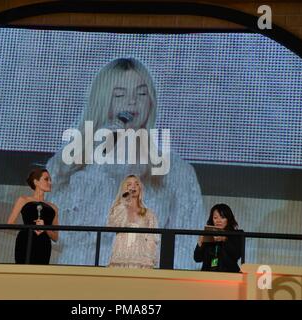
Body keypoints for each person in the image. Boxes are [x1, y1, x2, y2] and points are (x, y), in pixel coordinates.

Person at [46, 58, 204, 269]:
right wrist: (100, 161)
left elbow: (186, 244)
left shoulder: (176, 171)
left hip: (146, 279)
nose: (132, 102)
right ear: (102, 101)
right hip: (81, 274)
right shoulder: (66, 164)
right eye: (119, 95)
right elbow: (60, 233)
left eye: (141, 93)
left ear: (151, 101)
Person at [7, 168, 59, 264]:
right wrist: (29, 228)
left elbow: (55, 237)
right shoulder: (23, 200)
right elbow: (10, 223)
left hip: (43, 244)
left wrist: (45, 228)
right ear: (36, 182)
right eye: (46, 179)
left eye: (50, 180)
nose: (50, 182)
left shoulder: (53, 208)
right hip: (25, 241)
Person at [107, 175, 158, 268]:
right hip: (120, 258)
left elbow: (152, 239)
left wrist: (149, 260)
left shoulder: (148, 214)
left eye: (136, 184)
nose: (133, 187)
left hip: (141, 261)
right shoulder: (119, 209)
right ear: (124, 188)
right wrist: (124, 201)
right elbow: (113, 224)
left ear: (140, 188)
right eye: (129, 184)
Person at [193, 203, 243, 272]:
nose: (218, 221)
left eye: (222, 217)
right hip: (208, 276)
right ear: (212, 219)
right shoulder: (207, 233)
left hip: (228, 275)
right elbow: (197, 259)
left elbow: (237, 255)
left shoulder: (236, 234)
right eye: (215, 218)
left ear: (228, 219)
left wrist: (225, 239)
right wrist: (199, 244)